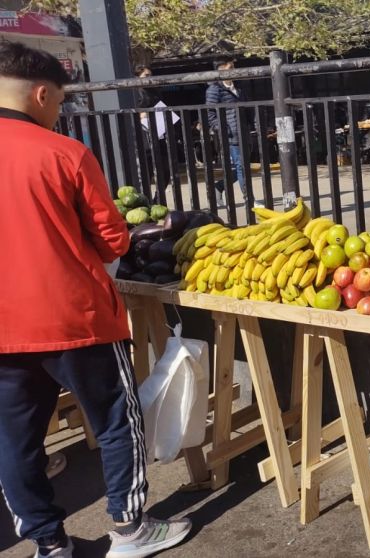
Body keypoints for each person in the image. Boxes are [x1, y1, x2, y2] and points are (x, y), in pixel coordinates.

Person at [0, 41, 191, 558]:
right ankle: (130, 531)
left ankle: (48, 545)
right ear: (41, 93)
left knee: (14, 441)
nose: (58, 112)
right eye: (59, 103)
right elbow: (113, 240)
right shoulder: (62, 153)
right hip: (74, 318)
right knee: (114, 421)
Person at [205, 57, 250, 206]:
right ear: (221, 70)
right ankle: (248, 198)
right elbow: (210, 113)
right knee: (241, 165)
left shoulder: (239, 87)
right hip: (230, 134)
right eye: (230, 68)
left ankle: (219, 186)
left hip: (243, 131)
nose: (233, 70)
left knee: (242, 166)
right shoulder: (214, 89)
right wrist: (222, 127)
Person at [135, 64, 170, 199]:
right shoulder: (134, 92)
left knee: (165, 169)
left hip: (158, 132)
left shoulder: (155, 91)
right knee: (146, 171)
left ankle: (158, 197)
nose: (150, 79)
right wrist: (141, 115)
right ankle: (147, 200)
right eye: (146, 76)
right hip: (143, 135)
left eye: (151, 75)